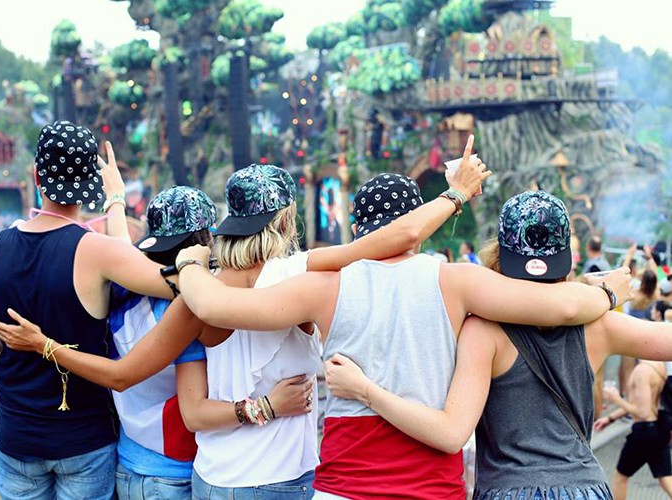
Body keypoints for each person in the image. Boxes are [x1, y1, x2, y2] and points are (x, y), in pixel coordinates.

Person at [0, 137, 494, 499]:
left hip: (211, 478)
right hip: (280, 478)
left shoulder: (198, 287)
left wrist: (45, 346)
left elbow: (123, 373)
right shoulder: (299, 271)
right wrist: (455, 193)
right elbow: (396, 238)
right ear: (285, 220)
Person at [174, 182, 632, 497]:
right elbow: (561, 307)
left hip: (345, 483)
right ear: (418, 227)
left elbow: (215, 308)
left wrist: (191, 264)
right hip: (431, 485)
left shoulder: (323, 286)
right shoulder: (457, 281)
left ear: (360, 230)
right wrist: (608, 291)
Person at [322, 190, 672, 500]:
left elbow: (451, 433)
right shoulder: (599, 323)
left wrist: (365, 390)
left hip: (509, 489)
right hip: (585, 488)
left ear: (499, 253)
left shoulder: (483, 330)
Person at [0, 121, 183, 500]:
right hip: (83, 437)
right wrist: (116, 198)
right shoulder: (97, 250)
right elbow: (173, 284)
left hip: (18, 436)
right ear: (89, 183)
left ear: (36, 176)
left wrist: (18, 334)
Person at [596, 361, 672, 499]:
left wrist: (616, 399)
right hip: (659, 429)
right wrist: (610, 418)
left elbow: (643, 412)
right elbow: (640, 402)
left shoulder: (641, 371)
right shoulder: (659, 365)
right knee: (665, 479)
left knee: (620, 477)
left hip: (644, 432)